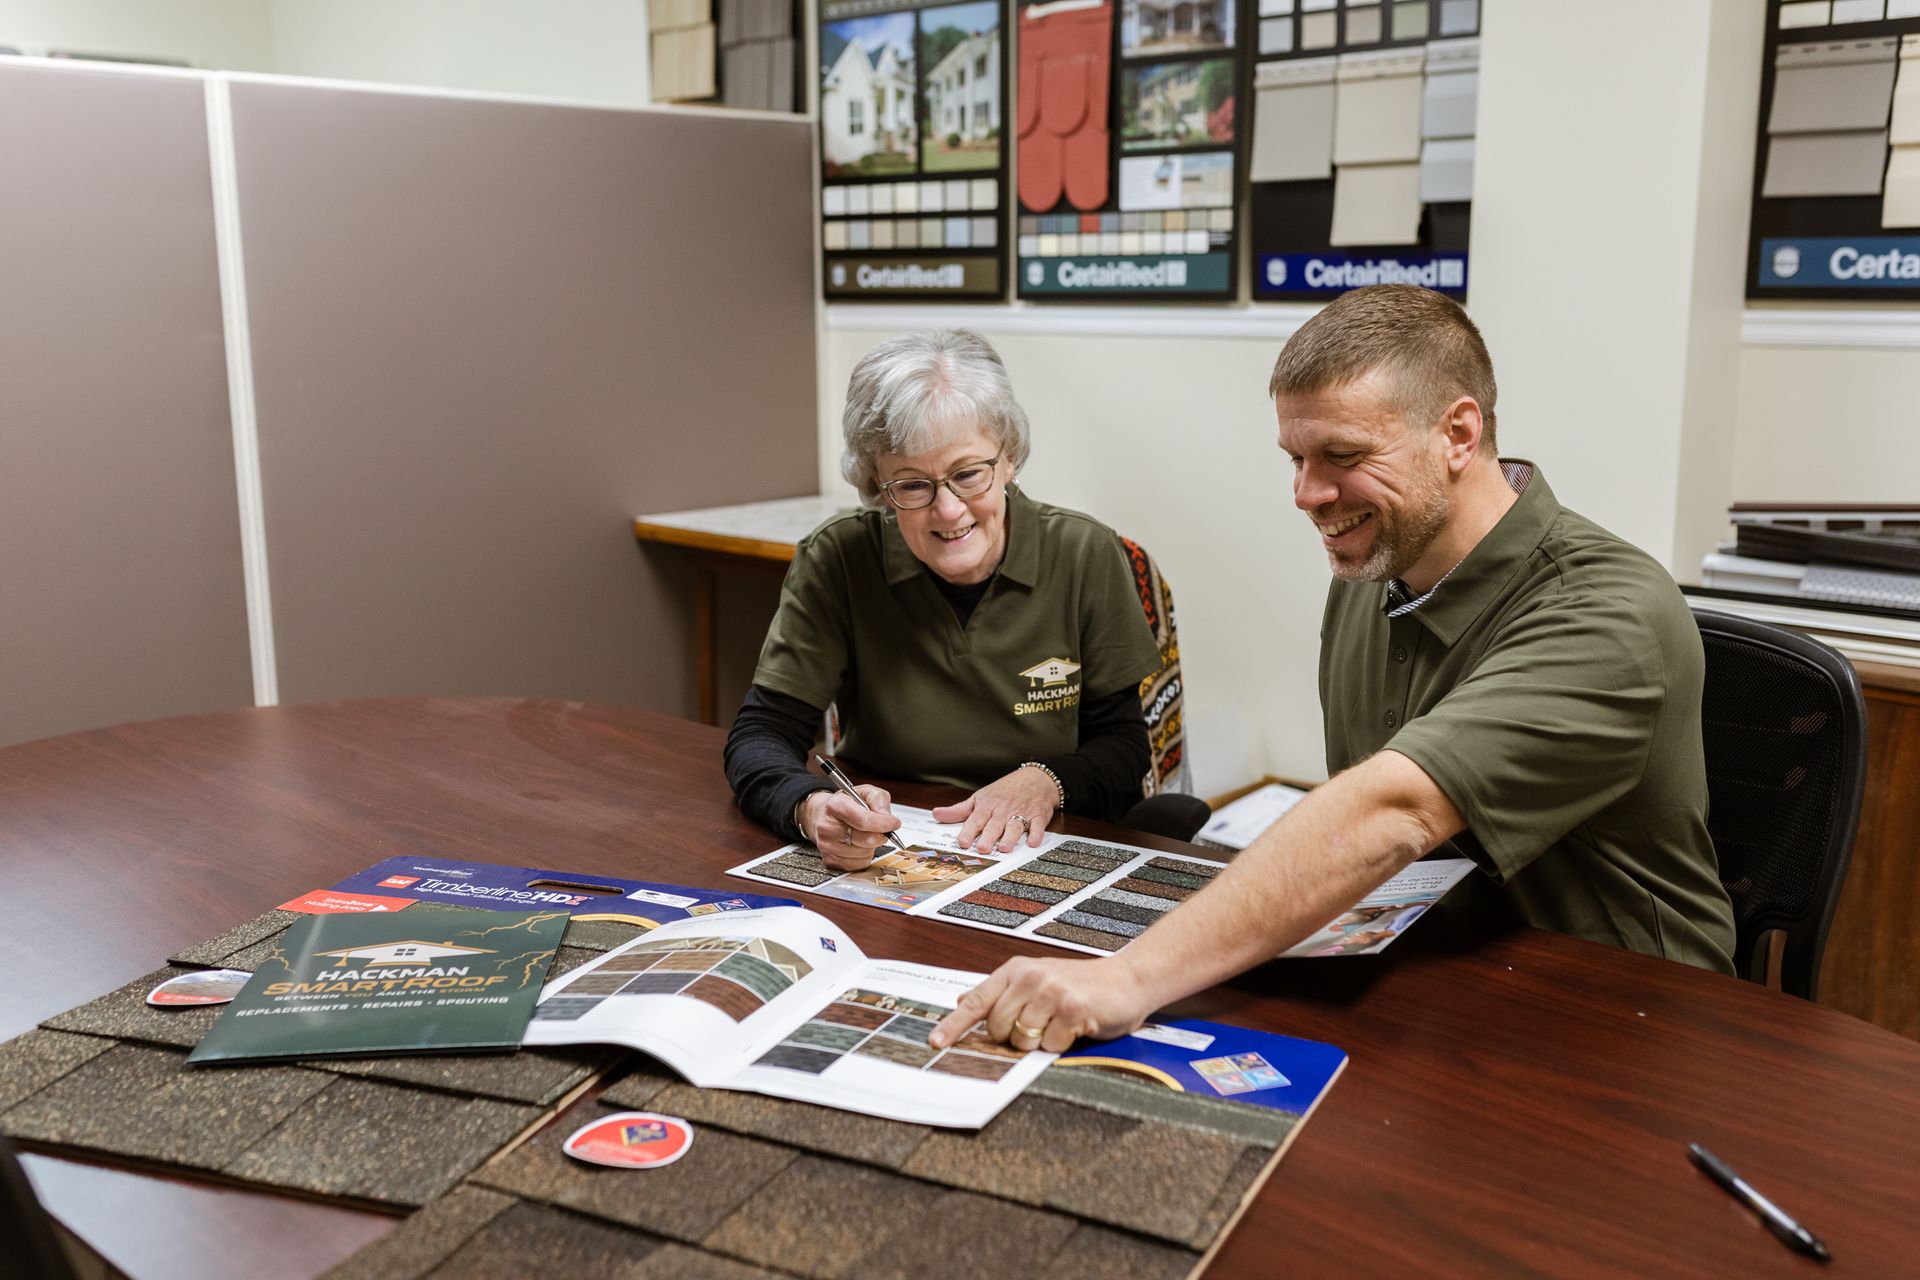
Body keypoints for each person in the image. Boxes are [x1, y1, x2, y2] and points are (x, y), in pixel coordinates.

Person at [930, 284, 1737, 1055]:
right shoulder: (1378, 568)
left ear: (1458, 435)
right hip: (1429, 981)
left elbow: (1393, 810)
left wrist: (1128, 978)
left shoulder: (1609, 613)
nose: (1307, 494)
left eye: (1342, 455)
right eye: (1296, 457)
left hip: (1627, 1022)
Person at [724, 329, 1166, 869]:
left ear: (1009, 460)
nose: (949, 510)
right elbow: (760, 734)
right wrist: (809, 805)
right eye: (912, 485)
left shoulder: (1084, 553)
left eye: (968, 474)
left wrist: (1045, 780)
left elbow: (1125, 750)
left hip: (1044, 846)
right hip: (895, 847)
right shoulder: (838, 559)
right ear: (875, 486)